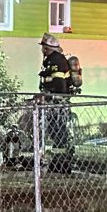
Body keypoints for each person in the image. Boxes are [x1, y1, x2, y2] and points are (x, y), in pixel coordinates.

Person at [38, 33, 75, 173]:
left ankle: (62, 164)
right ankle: (59, 162)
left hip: (57, 103)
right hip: (54, 102)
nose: (42, 50)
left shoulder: (56, 61)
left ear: (48, 48)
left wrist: (49, 97)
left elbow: (59, 84)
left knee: (58, 131)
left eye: (44, 47)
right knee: (56, 132)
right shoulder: (51, 60)